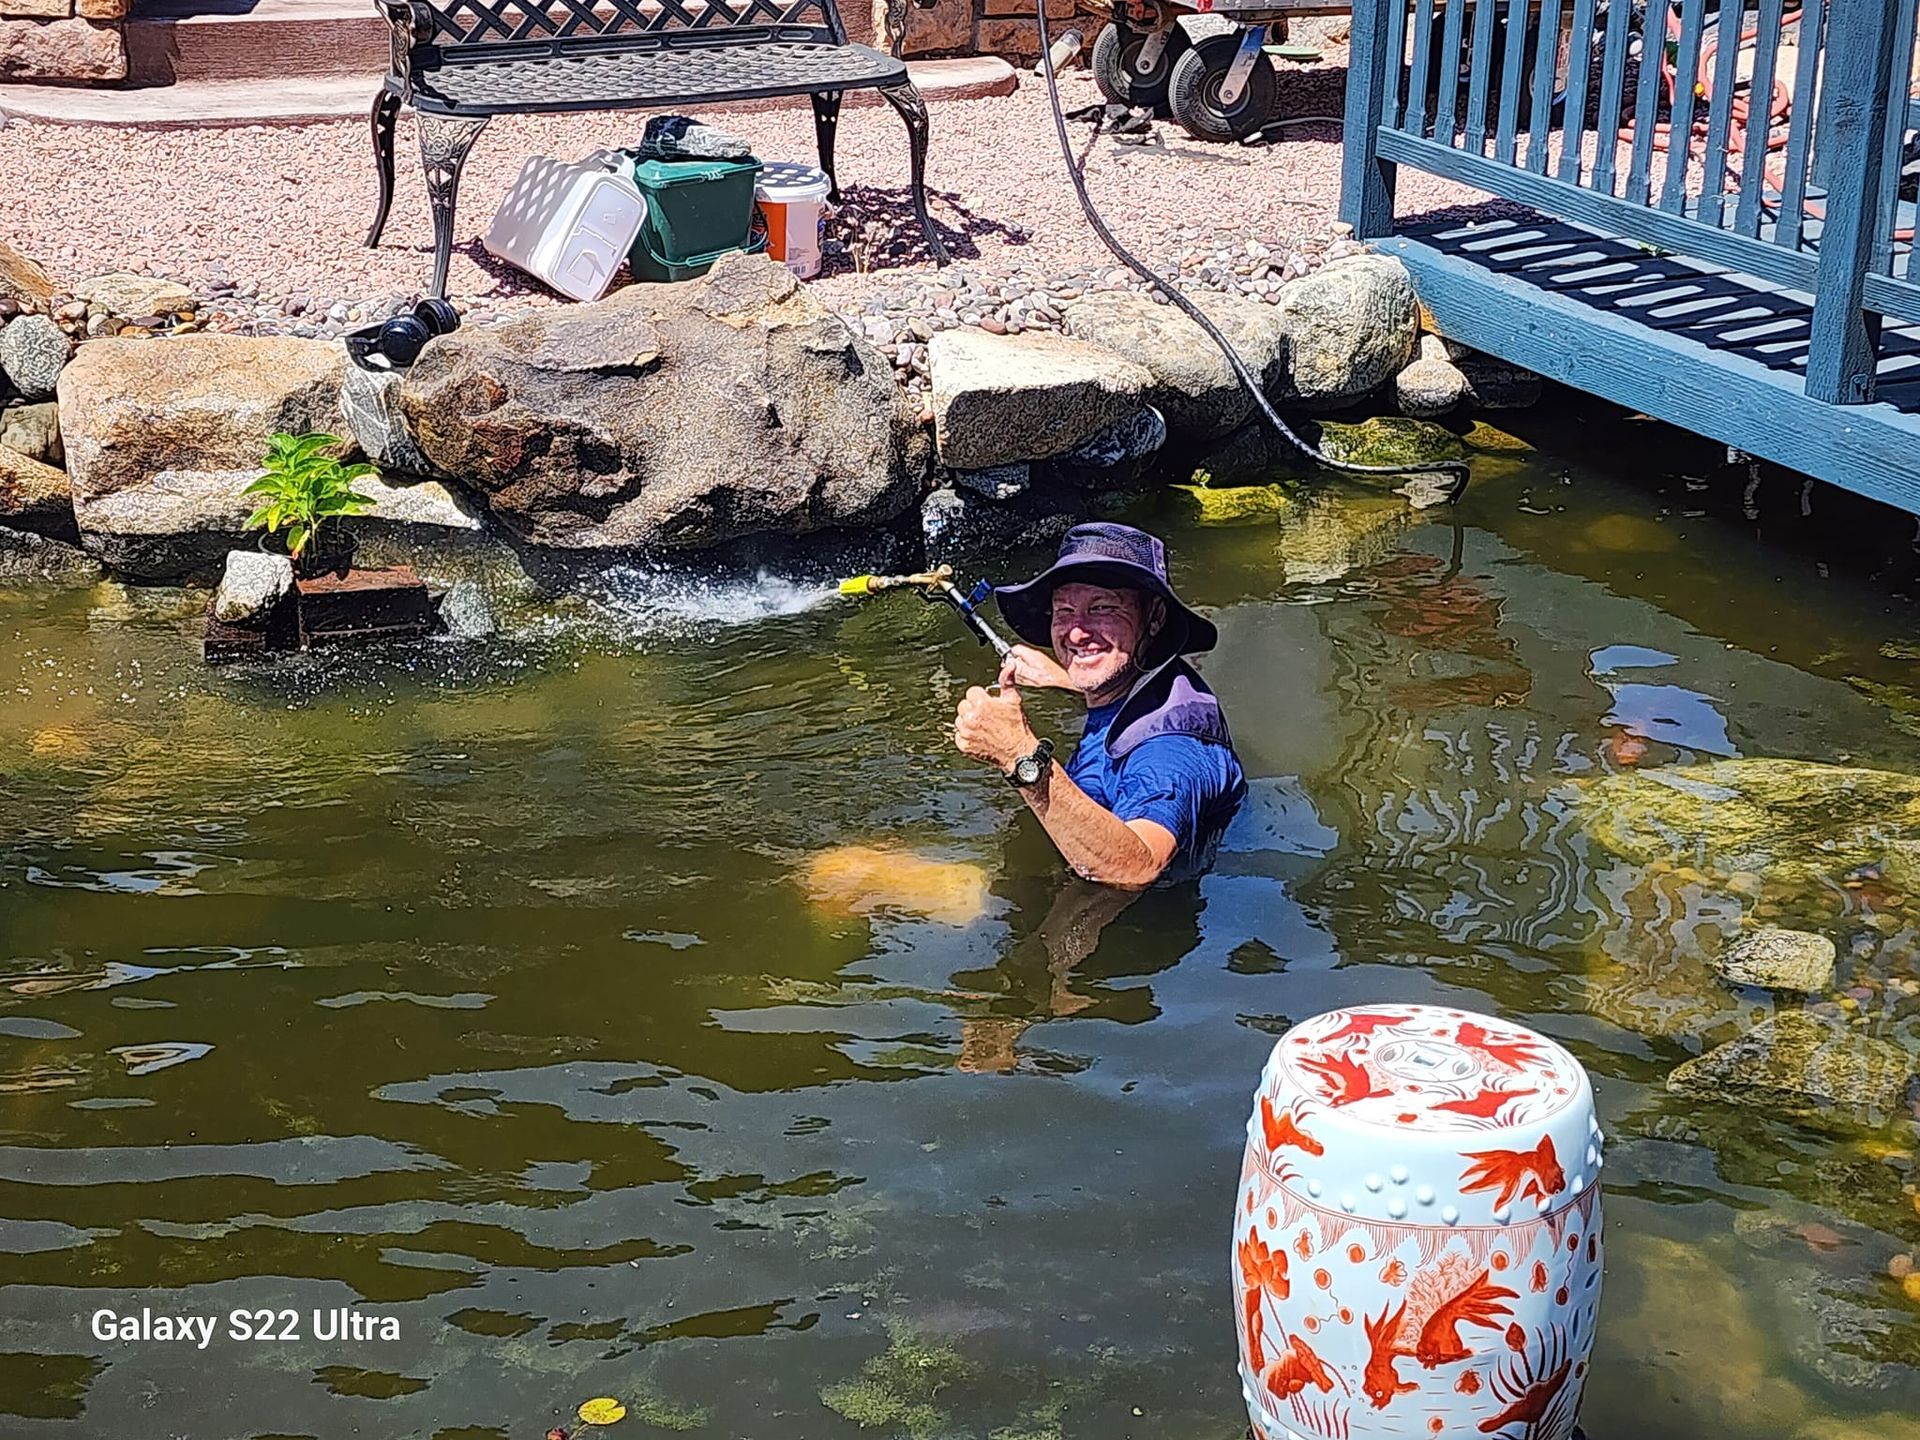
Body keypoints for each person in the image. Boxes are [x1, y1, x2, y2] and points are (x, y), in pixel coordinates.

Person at [951, 523, 1246, 888]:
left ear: (1155, 617)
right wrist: (1066, 679)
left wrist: (1018, 754)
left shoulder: (1170, 751)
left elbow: (1138, 868)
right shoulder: (1152, 681)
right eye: (1064, 610)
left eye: (1102, 608)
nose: (1076, 633)